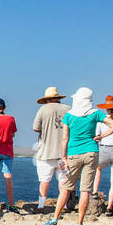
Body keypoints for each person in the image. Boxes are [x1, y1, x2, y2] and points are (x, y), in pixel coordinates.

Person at [43, 87, 113, 225]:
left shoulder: (69, 116)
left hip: (73, 153)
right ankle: (80, 224)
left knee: (66, 188)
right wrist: (100, 137)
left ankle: (54, 220)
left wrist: (64, 156)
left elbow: (65, 139)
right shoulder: (95, 113)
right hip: (91, 152)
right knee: (85, 190)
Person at [31, 86, 67, 214]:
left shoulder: (43, 109)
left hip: (46, 152)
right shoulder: (68, 109)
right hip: (63, 153)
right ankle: (64, 206)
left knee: (44, 181)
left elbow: (35, 128)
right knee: (63, 181)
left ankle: (41, 206)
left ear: (47, 99)